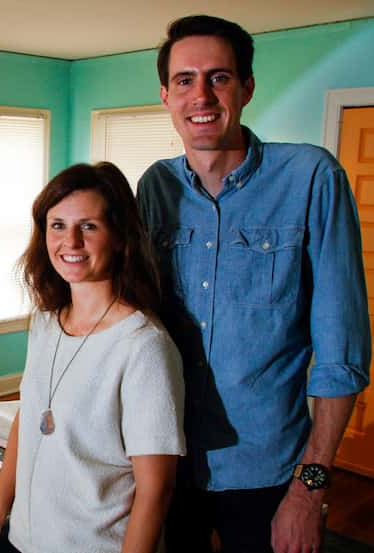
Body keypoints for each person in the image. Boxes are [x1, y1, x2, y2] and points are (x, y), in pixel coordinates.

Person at [136, 15, 371, 553]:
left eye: (219, 77)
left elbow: (343, 354)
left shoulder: (313, 178)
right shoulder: (155, 185)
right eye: (184, 80)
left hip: (269, 474)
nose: (201, 95)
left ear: (246, 88)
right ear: (166, 96)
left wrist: (310, 493)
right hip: (165, 464)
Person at [0, 162, 186, 553]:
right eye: (57, 225)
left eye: (88, 226)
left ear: (119, 237)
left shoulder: (143, 347)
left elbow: (155, 489)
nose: (70, 242)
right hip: (27, 541)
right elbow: (29, 419)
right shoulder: (46, 322)